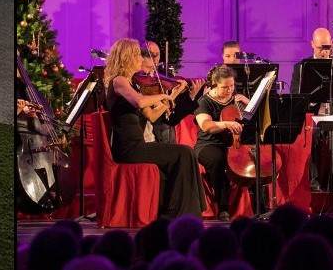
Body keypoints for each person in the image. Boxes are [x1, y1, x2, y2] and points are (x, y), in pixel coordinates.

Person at [104, 37, 203, 218]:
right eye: (137, 55)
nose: (141, 59)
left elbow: (151, 115)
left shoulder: (133, 83)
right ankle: (180, 211)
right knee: (184, 153)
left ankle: (182, 210)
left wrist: (172, 95)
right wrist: (161, 96)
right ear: (127, 57)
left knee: (186, 152)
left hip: (138, 145)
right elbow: (140, 102)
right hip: (129, 148)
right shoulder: (119, 81)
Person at [193, 65, 258, 215]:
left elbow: (256, 121)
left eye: (232, 86)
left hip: (234, 145)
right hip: (208, 144)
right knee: (218, 159)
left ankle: (258, 207)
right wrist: (225, 124)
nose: (229, 90)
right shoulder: (204, 101)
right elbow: (206, 126)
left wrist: (249, 104)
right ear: (215, 84)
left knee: (255, 160)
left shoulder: (237, 100)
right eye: (224, 87)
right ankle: (223, 207)